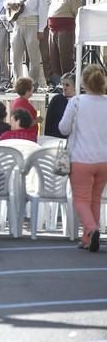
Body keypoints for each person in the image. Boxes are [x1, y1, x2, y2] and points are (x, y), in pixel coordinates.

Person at [59, 65, 107, 252]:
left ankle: (92, 229)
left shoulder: (77, 102)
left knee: (80, 199)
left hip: (81, 158)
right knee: (95, 199)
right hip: (104, 159)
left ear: (84, 82)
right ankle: (87, 237)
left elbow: (63, 128)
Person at [5, 0, 49, 89]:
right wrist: (11, 4)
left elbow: (43, 11)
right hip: (18, 25)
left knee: (34, 58)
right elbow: (6, 3)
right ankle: (18, 84)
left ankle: (30, 84)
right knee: (16, 56)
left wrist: (41, 29)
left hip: (32, 24)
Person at [48, 0, 82, 86]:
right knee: (54, 60)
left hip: (65, 31)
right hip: (52, 31)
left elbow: (78, 15)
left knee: (65, 59)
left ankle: (69, 84)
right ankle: (58, 84)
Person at [44, 72, 76, 138]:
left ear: (75, 86)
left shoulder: (79, 100)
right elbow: (49, 121)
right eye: (63, 84)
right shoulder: (56, 100)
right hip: (57, 138)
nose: (64, 87)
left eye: (67, 85)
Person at [11, 76, 41, 141]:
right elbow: (23, 123)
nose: (32, 93)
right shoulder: (23, 103)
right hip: (26, 137)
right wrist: (37, 120)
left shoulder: (17, 101)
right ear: (27, 90)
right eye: (31, 90)